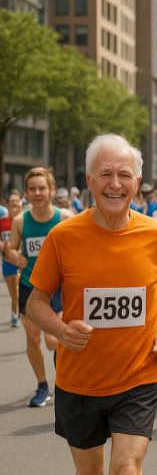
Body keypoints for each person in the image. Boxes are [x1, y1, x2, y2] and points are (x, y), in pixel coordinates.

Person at [27, 134, 157, 475]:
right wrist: (60, 328)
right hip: (79, 380)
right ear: (89, 181)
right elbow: (34, 302)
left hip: (139, 375)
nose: (115, 184)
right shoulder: (64, 236)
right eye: (106, 175)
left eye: (124, 175)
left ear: (138, 182)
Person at [3, 170, 76, 406]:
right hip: (30, 285)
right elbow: (11, 248)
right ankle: (43, 387)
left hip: (58, 287)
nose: (37, 193)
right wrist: (14, 257)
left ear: (52, 191)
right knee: (33, 337)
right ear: (26, 193)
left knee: (53, 341)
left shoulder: (65, 217)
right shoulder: (20, 221)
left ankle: (62, 383)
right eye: (32, 189)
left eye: (41, 188)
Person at [1, 190, 24, 327]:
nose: (14, 203)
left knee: (20, 289)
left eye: (17, 201)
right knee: (13, 292)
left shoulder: (25, 219)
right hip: (7, 262)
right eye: (12, 201)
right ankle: (16, 312)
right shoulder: (2, 221)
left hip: (23, 262)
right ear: (7, 205)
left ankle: (18, 313)